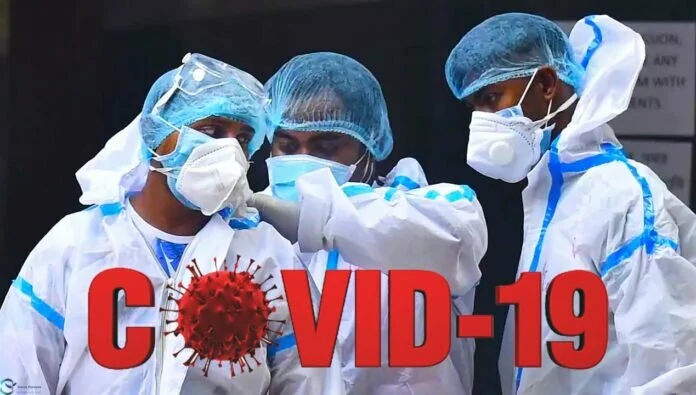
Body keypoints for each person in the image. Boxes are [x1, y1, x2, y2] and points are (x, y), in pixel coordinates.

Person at [0, 53, 342, 395]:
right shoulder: (75, 244)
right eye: (211, 130)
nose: (227, 150)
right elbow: (20, 371)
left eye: (241, 139)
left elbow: (314, 381)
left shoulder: (273, 256)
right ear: (157, 132)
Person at [445, 13, 696, 395]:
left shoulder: (622, 194)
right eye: (474, 107)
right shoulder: (549, 195)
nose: (483, 120)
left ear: (546, 83)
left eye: (492, 99)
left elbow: (669, 363)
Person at [248, 52, 488, 395]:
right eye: (287, 145)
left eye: (326, 147)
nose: (303, 160)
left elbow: (455, 237)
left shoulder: (433, 207)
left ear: (369, 144)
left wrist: (319, 215)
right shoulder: (254, 225)